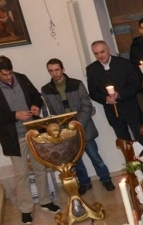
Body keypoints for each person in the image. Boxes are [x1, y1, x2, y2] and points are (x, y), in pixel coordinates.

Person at [0, 56, 59, 224]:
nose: (9, 77)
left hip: (33, 131)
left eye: (10, 73)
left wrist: (35, 106)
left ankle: (46, 201)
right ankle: (26, 209)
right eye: (4, 74)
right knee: (21, 174)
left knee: (40, 168)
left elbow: (36, 96)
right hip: (13, 137)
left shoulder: (21, 78)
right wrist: (14, 115)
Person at [39, 57, 113, 194]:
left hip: (84, 127)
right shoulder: (46, 90)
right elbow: (47, 112)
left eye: (57, 70)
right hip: (64, 131)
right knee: (75, 161)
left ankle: (106, 179)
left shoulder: (76, 84)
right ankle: (84, 183)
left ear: (63, 69)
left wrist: (77, 124)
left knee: (94, 156)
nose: (55, 73)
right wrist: (61, 128)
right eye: (51, 71)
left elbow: (87, 106)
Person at [86, 40, 143, 141]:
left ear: (108, 50)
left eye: (102, 52)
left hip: (131, 110)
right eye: (96, 53)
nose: (100, 56)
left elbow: (135, 85)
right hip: (113, 114)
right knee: (124, 143)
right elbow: (93, 92)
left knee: (141, 140)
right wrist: (105, 99)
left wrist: (120, 94)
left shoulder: (124, 63)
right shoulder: (92, 69)